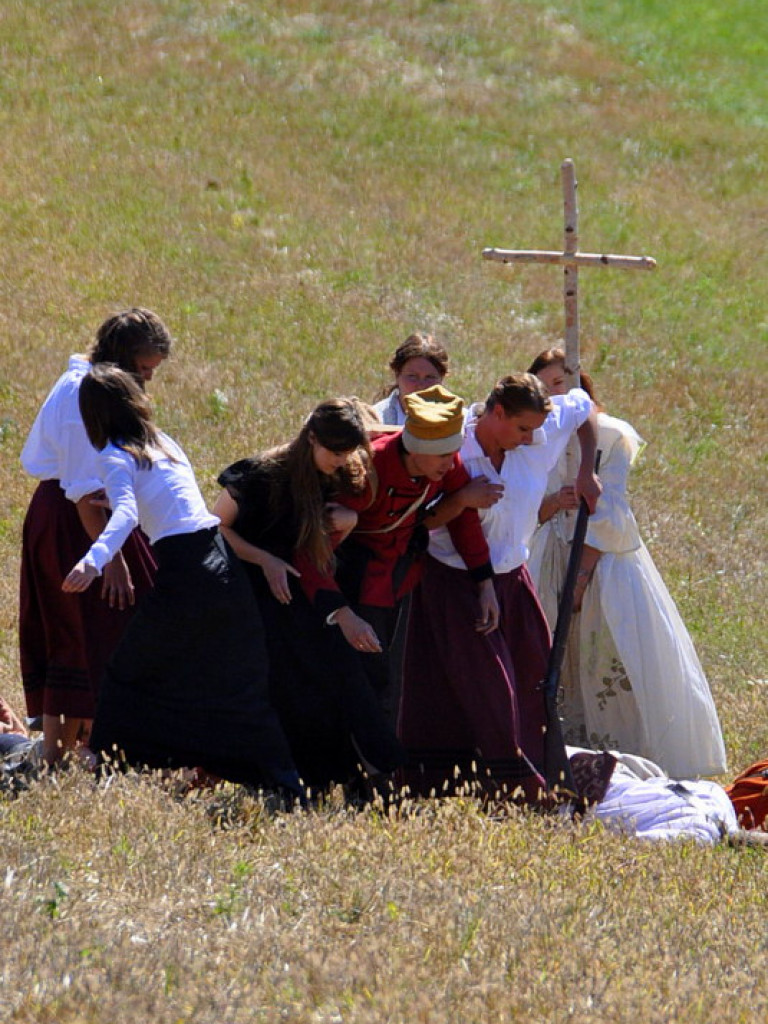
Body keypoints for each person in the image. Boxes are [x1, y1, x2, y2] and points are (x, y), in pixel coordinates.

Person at [61, 365, 303, 797]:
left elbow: (128, 515)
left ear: (92, 416)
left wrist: (92, 562)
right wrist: (118, 493)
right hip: (222, 564)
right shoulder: (164, 443)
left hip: (186, 574)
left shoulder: (113, 455)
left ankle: (105, 768)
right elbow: (160, 496)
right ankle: (284, 784)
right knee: (234, 679)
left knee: (128, 673)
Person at [399, 373, 601, 802]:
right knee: (485, 688)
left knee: (531, 683)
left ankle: (534, 776)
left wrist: (586, 471)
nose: (530, 438)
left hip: (513, 579)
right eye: (522, 428)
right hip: (453, 584)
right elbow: (422, 523)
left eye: (535, 429)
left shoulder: (537, 438)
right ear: (496, 413)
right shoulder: (454, 448)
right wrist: (462, 499)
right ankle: (513, 789)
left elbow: (583, 407)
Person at [527, 347, 726, 778]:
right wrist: (550, 504)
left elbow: (610, 513)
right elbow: (523, 507)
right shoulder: (535, 435)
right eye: (544, 388)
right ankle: (560, 751)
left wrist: (579, 579)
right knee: (551, 657)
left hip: (604, 569)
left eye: (561, 385)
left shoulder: (612, 435)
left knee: (609, 658)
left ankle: (627, 758)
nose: (553, 395)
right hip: (549, 556)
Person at [214, 399, 404, 793]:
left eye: (348, 453)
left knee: (324, 683)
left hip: (306, 594)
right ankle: (269, 777)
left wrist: (340, 528)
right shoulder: (261, 475)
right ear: (312, 438)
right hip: (256, 592)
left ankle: (337, 779)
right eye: (335, 452)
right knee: (272, 684)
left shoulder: (342, 476)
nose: (341, 460)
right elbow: (215, 529)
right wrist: (265, 559)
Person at [296, 385, 499, 734]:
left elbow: (464, 518)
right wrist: (341, 612)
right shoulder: (366, 473)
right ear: (418, 447)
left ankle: (383, 770)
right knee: (361, 681)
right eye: (442, 456)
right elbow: (312, 550)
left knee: (390, 681)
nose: (451, 464)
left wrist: (485, 582)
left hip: (399, 580)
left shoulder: (444, 463)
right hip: (351, 582)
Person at [19, 308, 166, 764]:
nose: (146, 380)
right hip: (76, 522)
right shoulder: (81, 393)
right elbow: (83, 488)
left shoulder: (93, 386)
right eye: (142, 369)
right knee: (88, 629)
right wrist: (112, 559)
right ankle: (70, 752)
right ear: (123, 358)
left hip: (91, 519)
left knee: (94, 629)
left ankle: (94, 746)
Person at [373, 333, 451, 426]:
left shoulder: (461, 425)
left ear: (441, 378)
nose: (421, 385)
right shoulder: (375, 422)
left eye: (429, 377)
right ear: (397, 374)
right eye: (412, 376)